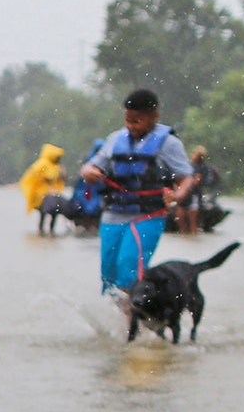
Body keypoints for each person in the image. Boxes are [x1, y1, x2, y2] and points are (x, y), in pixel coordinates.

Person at [80, 89, 197, 298]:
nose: (131, 126)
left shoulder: (169, 144)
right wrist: (88, 172)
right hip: (113, 214)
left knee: (128, 271)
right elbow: (90, 167)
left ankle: (130, 325)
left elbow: (186, 178)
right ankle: (114, 324)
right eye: (128, 120)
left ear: (154, 116)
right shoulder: (114, 139)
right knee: (108, 273)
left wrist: (178, 196)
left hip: (148, 215)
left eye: (137, 121)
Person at [17, 144, 65, 214]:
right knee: (47, 210)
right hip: (41, 195)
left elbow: (59, 179)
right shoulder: (43, 164)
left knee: (52, 210)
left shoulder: (55, 166)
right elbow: (45, 177)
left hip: (49, 195)